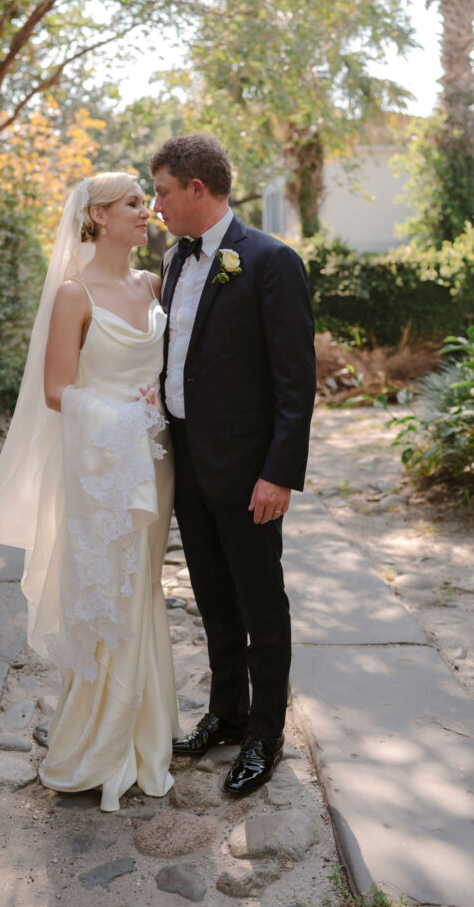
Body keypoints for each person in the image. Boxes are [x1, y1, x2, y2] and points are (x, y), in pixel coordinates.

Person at [0, 172, 179, 812]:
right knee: (109, 591)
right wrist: (126, 415)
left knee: (144, 585)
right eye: (132, 204)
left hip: (157, 459)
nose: (146, 212)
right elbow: (57, 390)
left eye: (145, 202)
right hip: (104, 462)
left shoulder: (153, 284)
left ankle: (146, 732)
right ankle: (99, 741)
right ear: (96, 217)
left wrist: (162, 402)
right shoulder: (73, 294)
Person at [150, 133, 316, 795]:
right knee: (212, 599)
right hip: (186, 460)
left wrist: (277, 472)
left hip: (248, 471)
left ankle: (263, 733)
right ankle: (225, 713)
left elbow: (293, 381)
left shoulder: (270, 260)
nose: (156, 203)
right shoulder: (171, 259)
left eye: (161, 190)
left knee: (259, 603)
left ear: (196, 188)